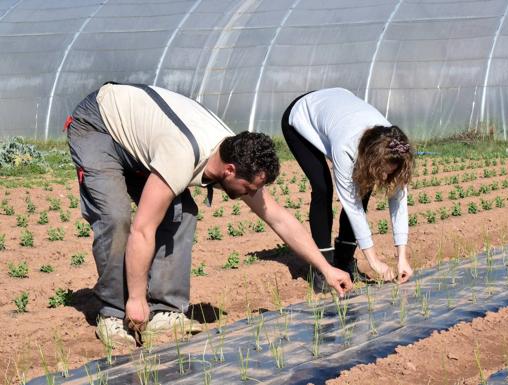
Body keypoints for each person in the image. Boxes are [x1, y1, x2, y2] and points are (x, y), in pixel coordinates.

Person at [66, 82, 352, 347]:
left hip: (142, 135)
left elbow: (277, 217)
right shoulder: (182, 155)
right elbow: (143, 229)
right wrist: (136, 298)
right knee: (116, 217)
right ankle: (115, 313)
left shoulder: (233, 151)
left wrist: (326, 268)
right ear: (229, 171)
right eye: (249, 187)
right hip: (99, 125)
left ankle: (165, 312)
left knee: (182, 211)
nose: (249, 193)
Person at [282, 88, 414, 290]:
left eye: (390, 173)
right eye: (383, 172)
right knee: (323, 187)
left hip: (336, 110)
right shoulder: (346, 147)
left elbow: (399, 201)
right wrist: (374, 261)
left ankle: (344, 261)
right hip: (301, 117)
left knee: (364, 186)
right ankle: (322, 268)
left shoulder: (393, 144)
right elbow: (352, 206)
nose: (386, 178)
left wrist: (402, 257)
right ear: (370, 159)